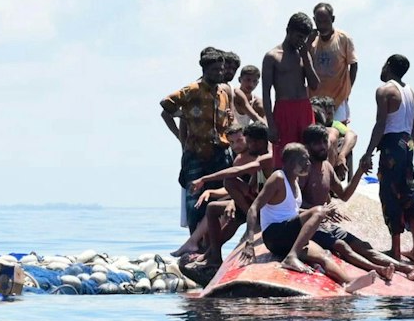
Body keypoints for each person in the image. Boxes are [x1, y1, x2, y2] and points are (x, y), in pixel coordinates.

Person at [246, 144, 380, 284]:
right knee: (318, 210)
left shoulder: (295, 180)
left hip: (289, 237)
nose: (308, 163)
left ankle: (348, 282)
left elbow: (291, 211)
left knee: (324, 255)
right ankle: (291, 257)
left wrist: (320, 215)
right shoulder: (278, 178)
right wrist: (249, 242)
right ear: (292, 161)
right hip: (274, 235)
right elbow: (253, 208)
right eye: (304, 160)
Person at [296, 124, 399, 278]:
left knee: (363, 246)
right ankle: (378, 269)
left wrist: (359, 171)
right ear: (308, 147)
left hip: (324, 225)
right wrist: (321, 212)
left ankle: (408, 269)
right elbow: (293, 208)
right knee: (341, 246)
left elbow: (344, 195)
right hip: (308, 227)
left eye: (325, 142)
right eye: (317, 144)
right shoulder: (304, 171)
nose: (323, 147)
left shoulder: (327, 168)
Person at [161, 46, 237, 236]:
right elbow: (166, 109)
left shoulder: (223, 93)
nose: (219, 73)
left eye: (221, 69)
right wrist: (181, 135)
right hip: (196, 154)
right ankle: (195, 247)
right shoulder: (191, 90)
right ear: (204, 70)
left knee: (218, 200)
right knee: (195, 203)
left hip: (220, 154)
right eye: (214, 70)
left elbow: (228, 120)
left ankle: (210, 247)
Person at [176, 120, 271, 272]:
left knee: (229, 181)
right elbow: (252, 186)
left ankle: (249, 219)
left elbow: (235, 174)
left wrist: (204, 179)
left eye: (249, 142)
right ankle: (214, 256)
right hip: (253, 204)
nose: (245, 145)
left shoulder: (268, 158)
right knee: (213, 209)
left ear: (260, 142)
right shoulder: (252, 157)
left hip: (267, 207)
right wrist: (234, 201)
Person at [362, 54, 414, 264]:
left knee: (390, 193)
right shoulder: (410, 92)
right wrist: (409, 149)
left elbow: (381, 124)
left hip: (391, 144)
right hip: (407, 144)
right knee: (409, 193)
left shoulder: (385, 90)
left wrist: (368, 152)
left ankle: (395, 251)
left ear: (388, 66)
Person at [261, 12, 320, 169]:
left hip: (304, 108)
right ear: (288, 30)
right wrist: (271, 124)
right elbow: (266, 93)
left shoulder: (304, 55)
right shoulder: (272, 56)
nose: (301, 41)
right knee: (284, 158)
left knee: (308, 155)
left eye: (304, 38)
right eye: (298, 36)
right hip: (284, 110)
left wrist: (306, 58)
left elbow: (314, 85)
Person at [308, 2, 359, 123]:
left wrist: (347, 91)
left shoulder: (343, 39)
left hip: (338, 99)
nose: (322, 26)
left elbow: (354, 65)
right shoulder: (311, 41)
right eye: (319, 22)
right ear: (314, 20)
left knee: (338, 135)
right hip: (315, 101)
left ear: (333, 19)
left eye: (326, 21)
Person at [310, 95, 358, 175]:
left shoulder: (335, 124)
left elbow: (352, 135)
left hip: (334, 160)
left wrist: (342, 155)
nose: (328, 117)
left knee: (343, 142)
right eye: (326, 113)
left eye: (330, 113)